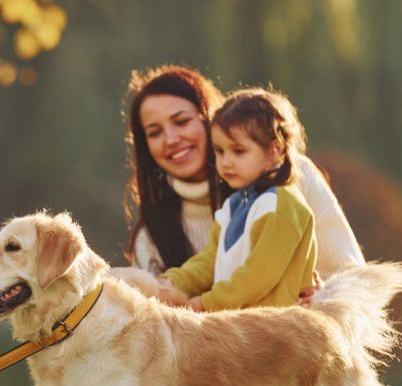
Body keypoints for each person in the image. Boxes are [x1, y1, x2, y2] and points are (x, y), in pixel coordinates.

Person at [123, 66, 364, 287]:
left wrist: (323, 298)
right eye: (154, 133)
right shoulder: (149, 241)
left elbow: (355, 281)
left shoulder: (294, 179)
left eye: (182, 121)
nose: (171, 139)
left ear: (211, 118)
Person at [160, 87, 315, 311]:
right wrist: (170, 284)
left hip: (275, 333)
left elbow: (258, 276)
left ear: (276, 150)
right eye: (220, 151)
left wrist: (205, 303)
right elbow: (209, 261)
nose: (226, 162)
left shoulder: (282, 205)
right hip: (238, 330)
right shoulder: (233, 206)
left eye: (239, 151)